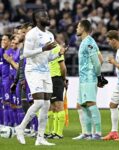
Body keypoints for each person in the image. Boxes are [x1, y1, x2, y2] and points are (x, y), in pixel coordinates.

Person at [15, 9, 66, 146]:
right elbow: (25, 54)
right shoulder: (32, 34)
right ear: (37, 19)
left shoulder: (50, 35)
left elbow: (48, 58)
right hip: (33, 70)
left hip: (45, 71)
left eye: (47, 15)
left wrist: (59, 54)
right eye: (44, 15)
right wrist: (43, 49)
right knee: (38, 103)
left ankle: (40, 138)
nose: (47, 16)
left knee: (47, 104)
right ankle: (20, 128)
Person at [75, 20, 102, 140]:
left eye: (78, 27)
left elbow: (97, 61)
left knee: (91, 103)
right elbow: (100, 57)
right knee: (84, 105)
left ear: (83, 28)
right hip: (83, 79)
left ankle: (98, 133)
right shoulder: (84, 42)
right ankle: (88, 133)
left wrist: (99, 76)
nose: (76, 29)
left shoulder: (89, 42)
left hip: (89, 78)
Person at [46, 43, 67, 139]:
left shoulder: (57, 49)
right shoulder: (48, 49)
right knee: (53, 106)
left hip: (56, 79)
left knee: (58, 105)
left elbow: (62, 67)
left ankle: (59, 133)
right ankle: (54, 131)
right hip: (50, 79)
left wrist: (63, 79)